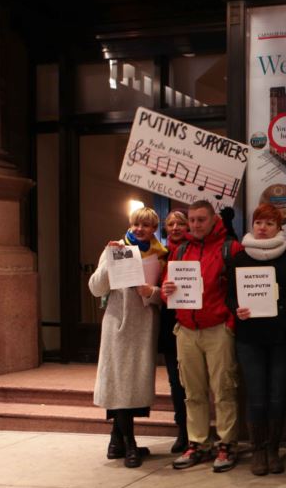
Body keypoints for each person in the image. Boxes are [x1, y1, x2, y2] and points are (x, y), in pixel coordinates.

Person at [162, 200, 244, 473]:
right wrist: (167, 289)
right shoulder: (180, 249)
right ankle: (197, 442)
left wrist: (230, 324)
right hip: (186, 329)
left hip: (218, 328)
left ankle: (226, 444)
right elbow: (166, 288)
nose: (196, 225)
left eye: (201, 219)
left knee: (224, 390)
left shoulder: (230, 248)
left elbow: (239, 290)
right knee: (192, 392)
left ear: (213, 220)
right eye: (192, 220)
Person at [225, 203, 286, 476]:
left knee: (277, 396)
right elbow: (229, 294)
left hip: (282, 337)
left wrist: (282, 312)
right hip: (250, 337)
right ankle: (258, 450)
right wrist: (238, 307)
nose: (262, 227)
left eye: (269, 223)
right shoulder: (239, 257)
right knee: (257, 395)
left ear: (279, 228)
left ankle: (273, 449)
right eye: (258, 222)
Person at [88, 207, 167, 468]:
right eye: (135, 224)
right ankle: (130, 444)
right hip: (118, 326)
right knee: (121, 385)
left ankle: (115, 442)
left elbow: (163, 295)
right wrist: (111, 262)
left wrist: (152, 291)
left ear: (153, 229)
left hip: (143, 327)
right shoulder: (116, 248)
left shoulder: (159, 254)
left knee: (131, 386)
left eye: (145, 226)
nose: (139, 229)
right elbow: (95, 287)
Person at [159, 210, 188, 453]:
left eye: (181, 223)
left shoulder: (195, 249)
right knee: (175, 381)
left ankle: (197, 429)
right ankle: (182, 430)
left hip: (191, 319)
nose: (176, 227)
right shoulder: (160, 253)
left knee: (194, 380)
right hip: (169, 321)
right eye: (171, 224)